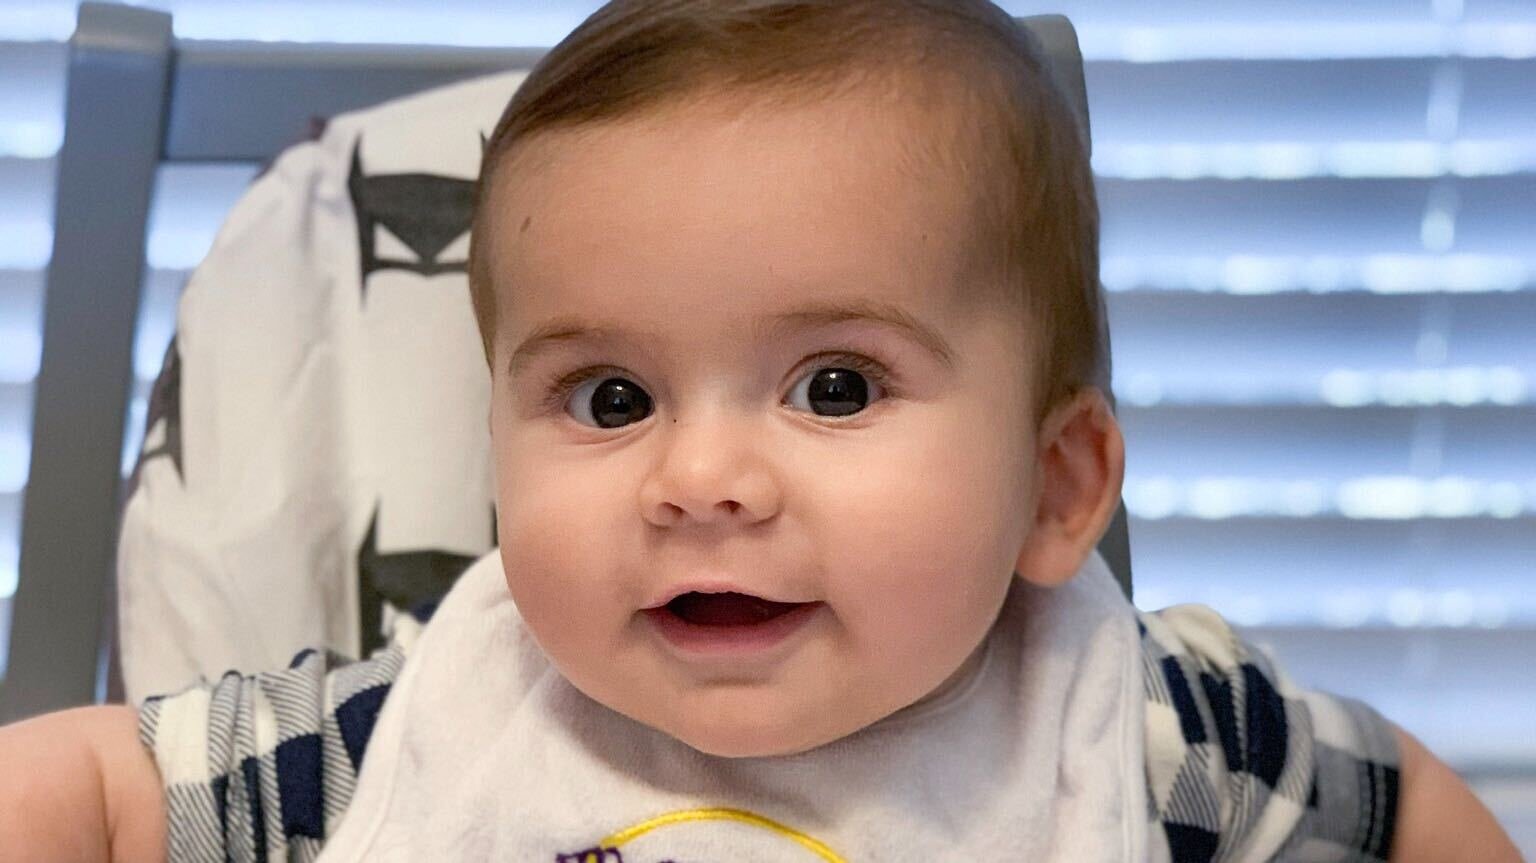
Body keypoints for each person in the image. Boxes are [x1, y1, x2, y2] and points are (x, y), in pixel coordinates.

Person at [0, 1, 1522, 860]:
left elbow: (1396, 809)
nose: (703, 481)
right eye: (610, 399)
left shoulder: (1147, 729)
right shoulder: (407, 738)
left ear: (1057, 491)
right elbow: (99, 791)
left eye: (836, 387)